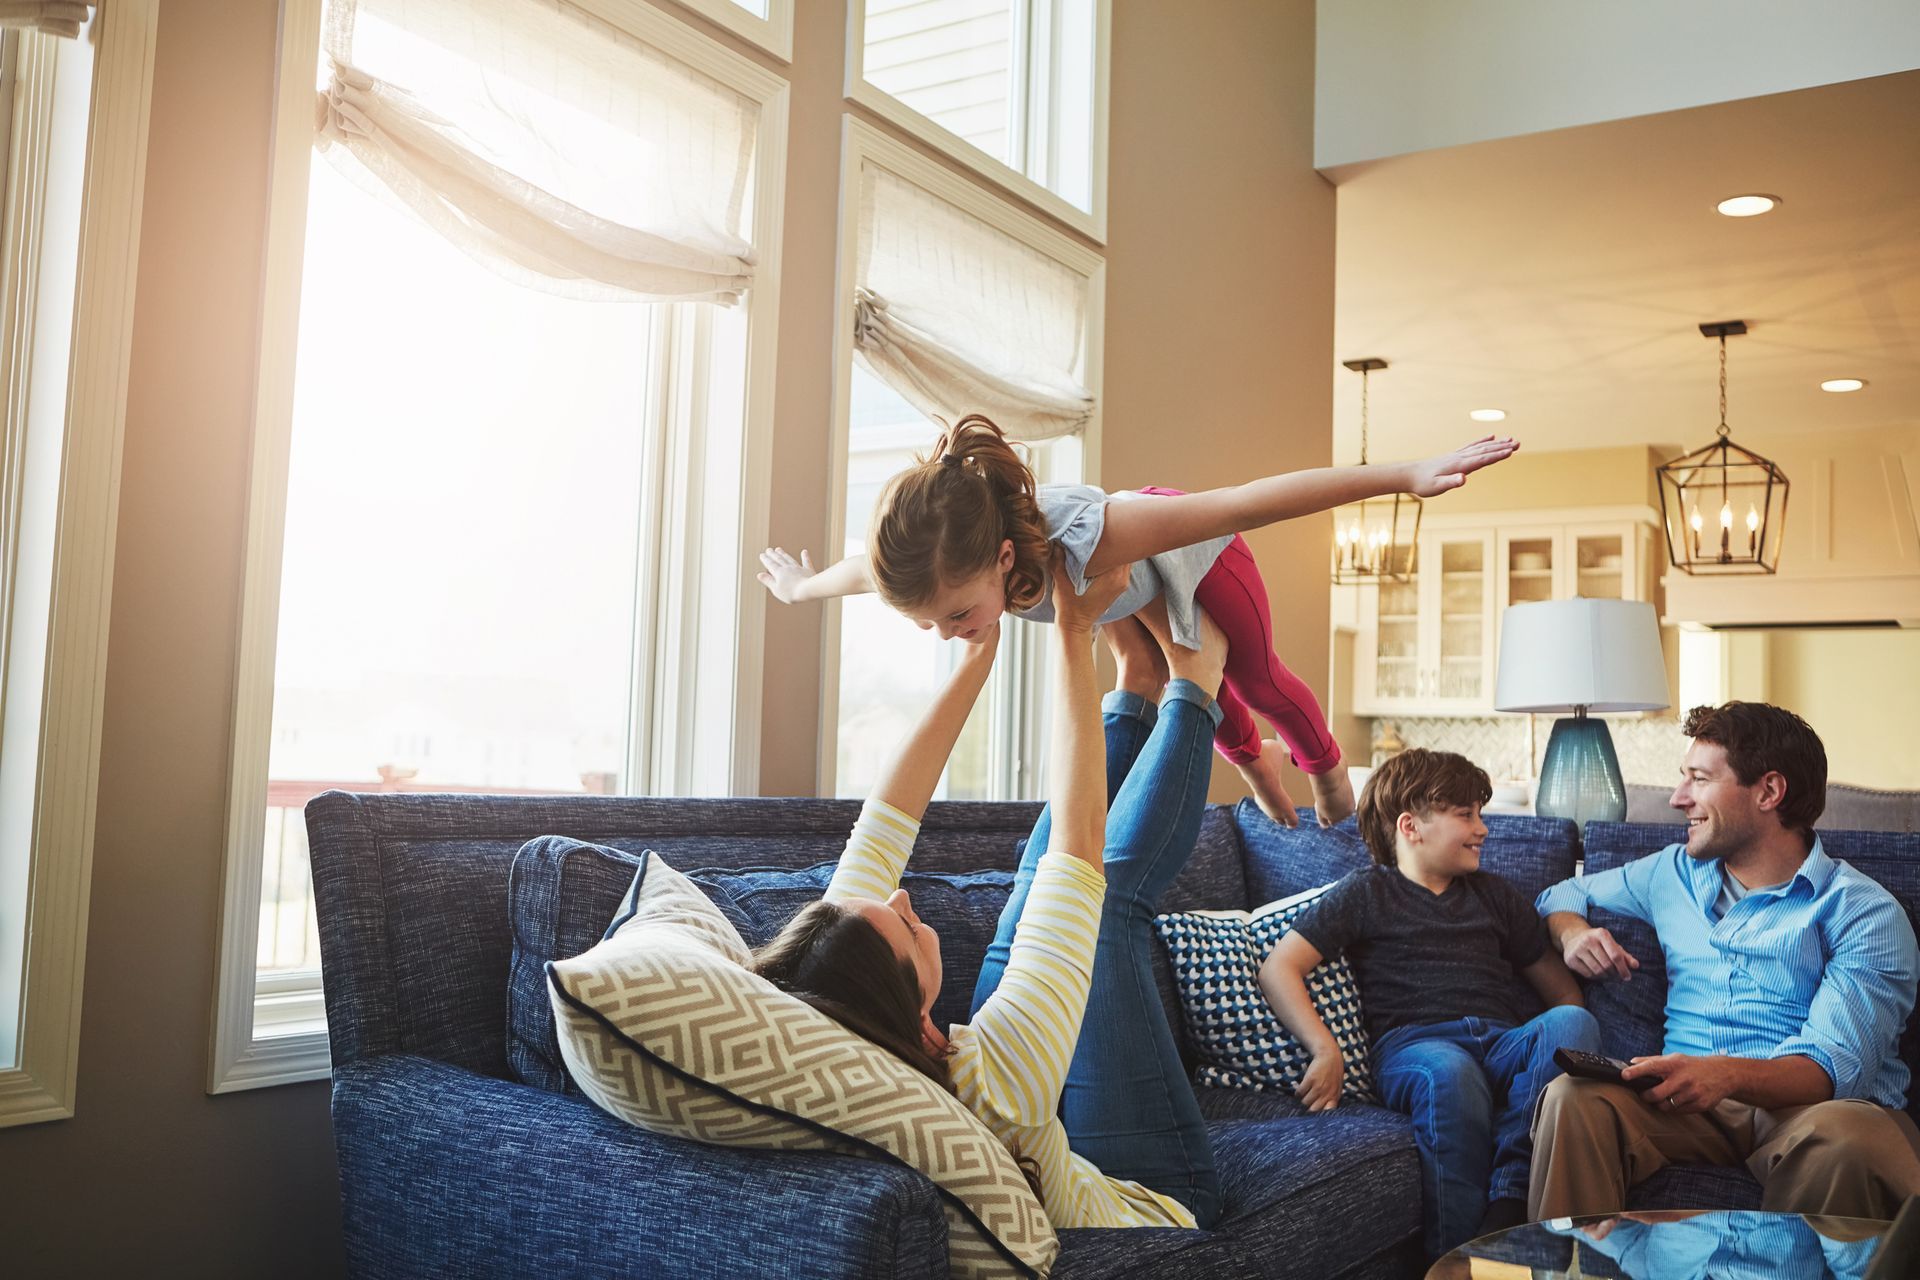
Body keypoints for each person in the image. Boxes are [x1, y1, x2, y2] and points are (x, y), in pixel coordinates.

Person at [752, 552, 1234, 1228]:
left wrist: (975, 662)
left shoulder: (830, 1015)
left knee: (1029, 891)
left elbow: (885, 822)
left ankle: (1136, 683)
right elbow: (1080, 851)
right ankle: (1193, 681)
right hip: (1153, 1198)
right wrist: (1072, 632)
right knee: (1104, 909)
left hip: (1056, 1136)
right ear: (920, 1025)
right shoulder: (996, 1084)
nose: (901, 900)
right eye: (907, 930)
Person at [757, 414, 1518, 828]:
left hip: (1191, 550)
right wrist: (800, 590)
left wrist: (1405, 475)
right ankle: (1257, 769)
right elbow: (856, 573)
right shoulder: (937, 568)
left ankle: (1323, 773)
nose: (945, 632)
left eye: (954, 614)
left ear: (1001, 556)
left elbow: (1250, 498)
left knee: (1255, 679)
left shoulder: (1100, 533)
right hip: (1128, 596)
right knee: (1200, 700)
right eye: (928, 623)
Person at [1529, 702, 1920, 1222]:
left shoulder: (1863, 912)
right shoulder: (1672, 873)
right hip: (1687, 1108)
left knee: (1849, 1138)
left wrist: (1721, 1074)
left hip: (1811, 1114)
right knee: (1573, 1098)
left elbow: (1828, 1071)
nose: (1677, 798)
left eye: (1698, 779)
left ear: (1768, 792)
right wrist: (1572, 931)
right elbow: (1562, 892)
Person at [1257, 748, 1599, 1256]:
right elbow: (1278, 967)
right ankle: (1458, 1257)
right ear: (1410, 826)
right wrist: (1325, 1049)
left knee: (1575, 1022)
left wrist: (1551, 1045)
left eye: (1480, 813)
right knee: (1449, 1073)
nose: (1482, 829)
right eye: (1466, 815)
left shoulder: (1495, 896)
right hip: (1417, 1048)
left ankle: (1509, 1195)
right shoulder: (1366, 893)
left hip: (1502, 1044)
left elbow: (1562, 996)